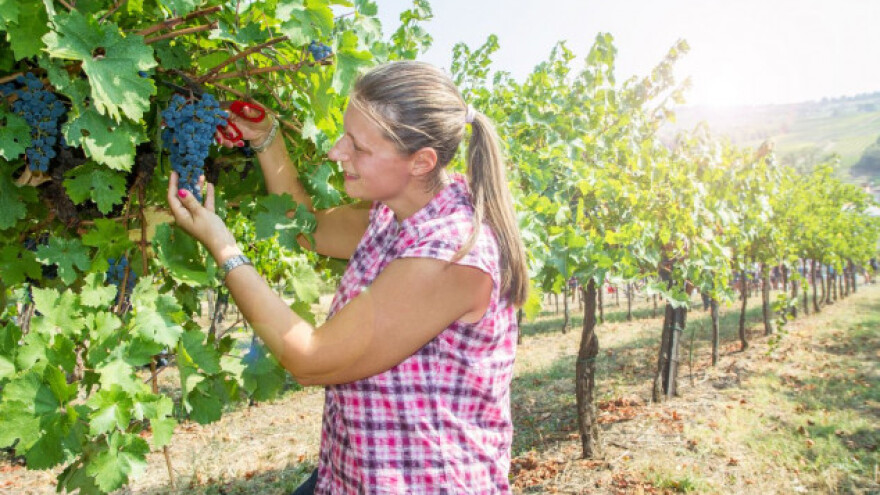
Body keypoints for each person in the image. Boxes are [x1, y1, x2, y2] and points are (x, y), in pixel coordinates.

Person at [167, 61, 529, 494]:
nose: (337, 152)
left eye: (358, 147)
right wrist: (266, 138)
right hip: (355, 473)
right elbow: (308, 228)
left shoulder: (450, 255)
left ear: (421, 162)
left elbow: (309, 358)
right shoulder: (392, 213)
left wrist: (222, 247)